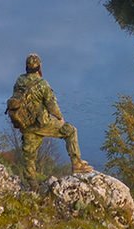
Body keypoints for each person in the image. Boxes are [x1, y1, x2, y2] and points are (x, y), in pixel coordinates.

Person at [6, 53, 89, 182]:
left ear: (26, 67)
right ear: (39, 67)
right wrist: (60, 117)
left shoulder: (19, 80)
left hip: (26, 124)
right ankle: (77, 164)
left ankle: (31, 186)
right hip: (42, 123)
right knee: (71, 131)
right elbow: (52, 105)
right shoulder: (42, 83)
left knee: (29, 155)